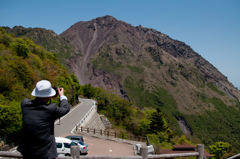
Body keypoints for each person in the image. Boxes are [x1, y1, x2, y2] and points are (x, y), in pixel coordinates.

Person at [17, 80, 70, 159]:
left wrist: (46, 96)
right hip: (45, 154)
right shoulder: (51, 109)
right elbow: (65, 108)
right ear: (49, 97)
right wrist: (62, 96)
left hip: (28, 152)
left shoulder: (24, 104)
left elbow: (35, 102)